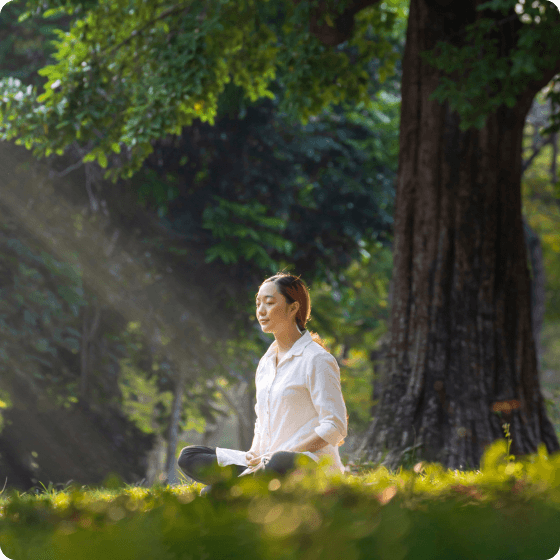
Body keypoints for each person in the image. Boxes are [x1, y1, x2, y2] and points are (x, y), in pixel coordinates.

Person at [177, 272, 349, 495]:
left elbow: (335, 427)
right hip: (266, 463)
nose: (261, 311)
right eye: (258, 303)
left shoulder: (317, 359)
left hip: (303, 463)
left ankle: (231, 491)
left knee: (281, 460)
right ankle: (246, 487)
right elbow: (262, 419)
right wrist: (254, 452)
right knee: (190, 456)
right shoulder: (266, 362)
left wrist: (290, 451)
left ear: (292, 308)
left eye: (269, 303)